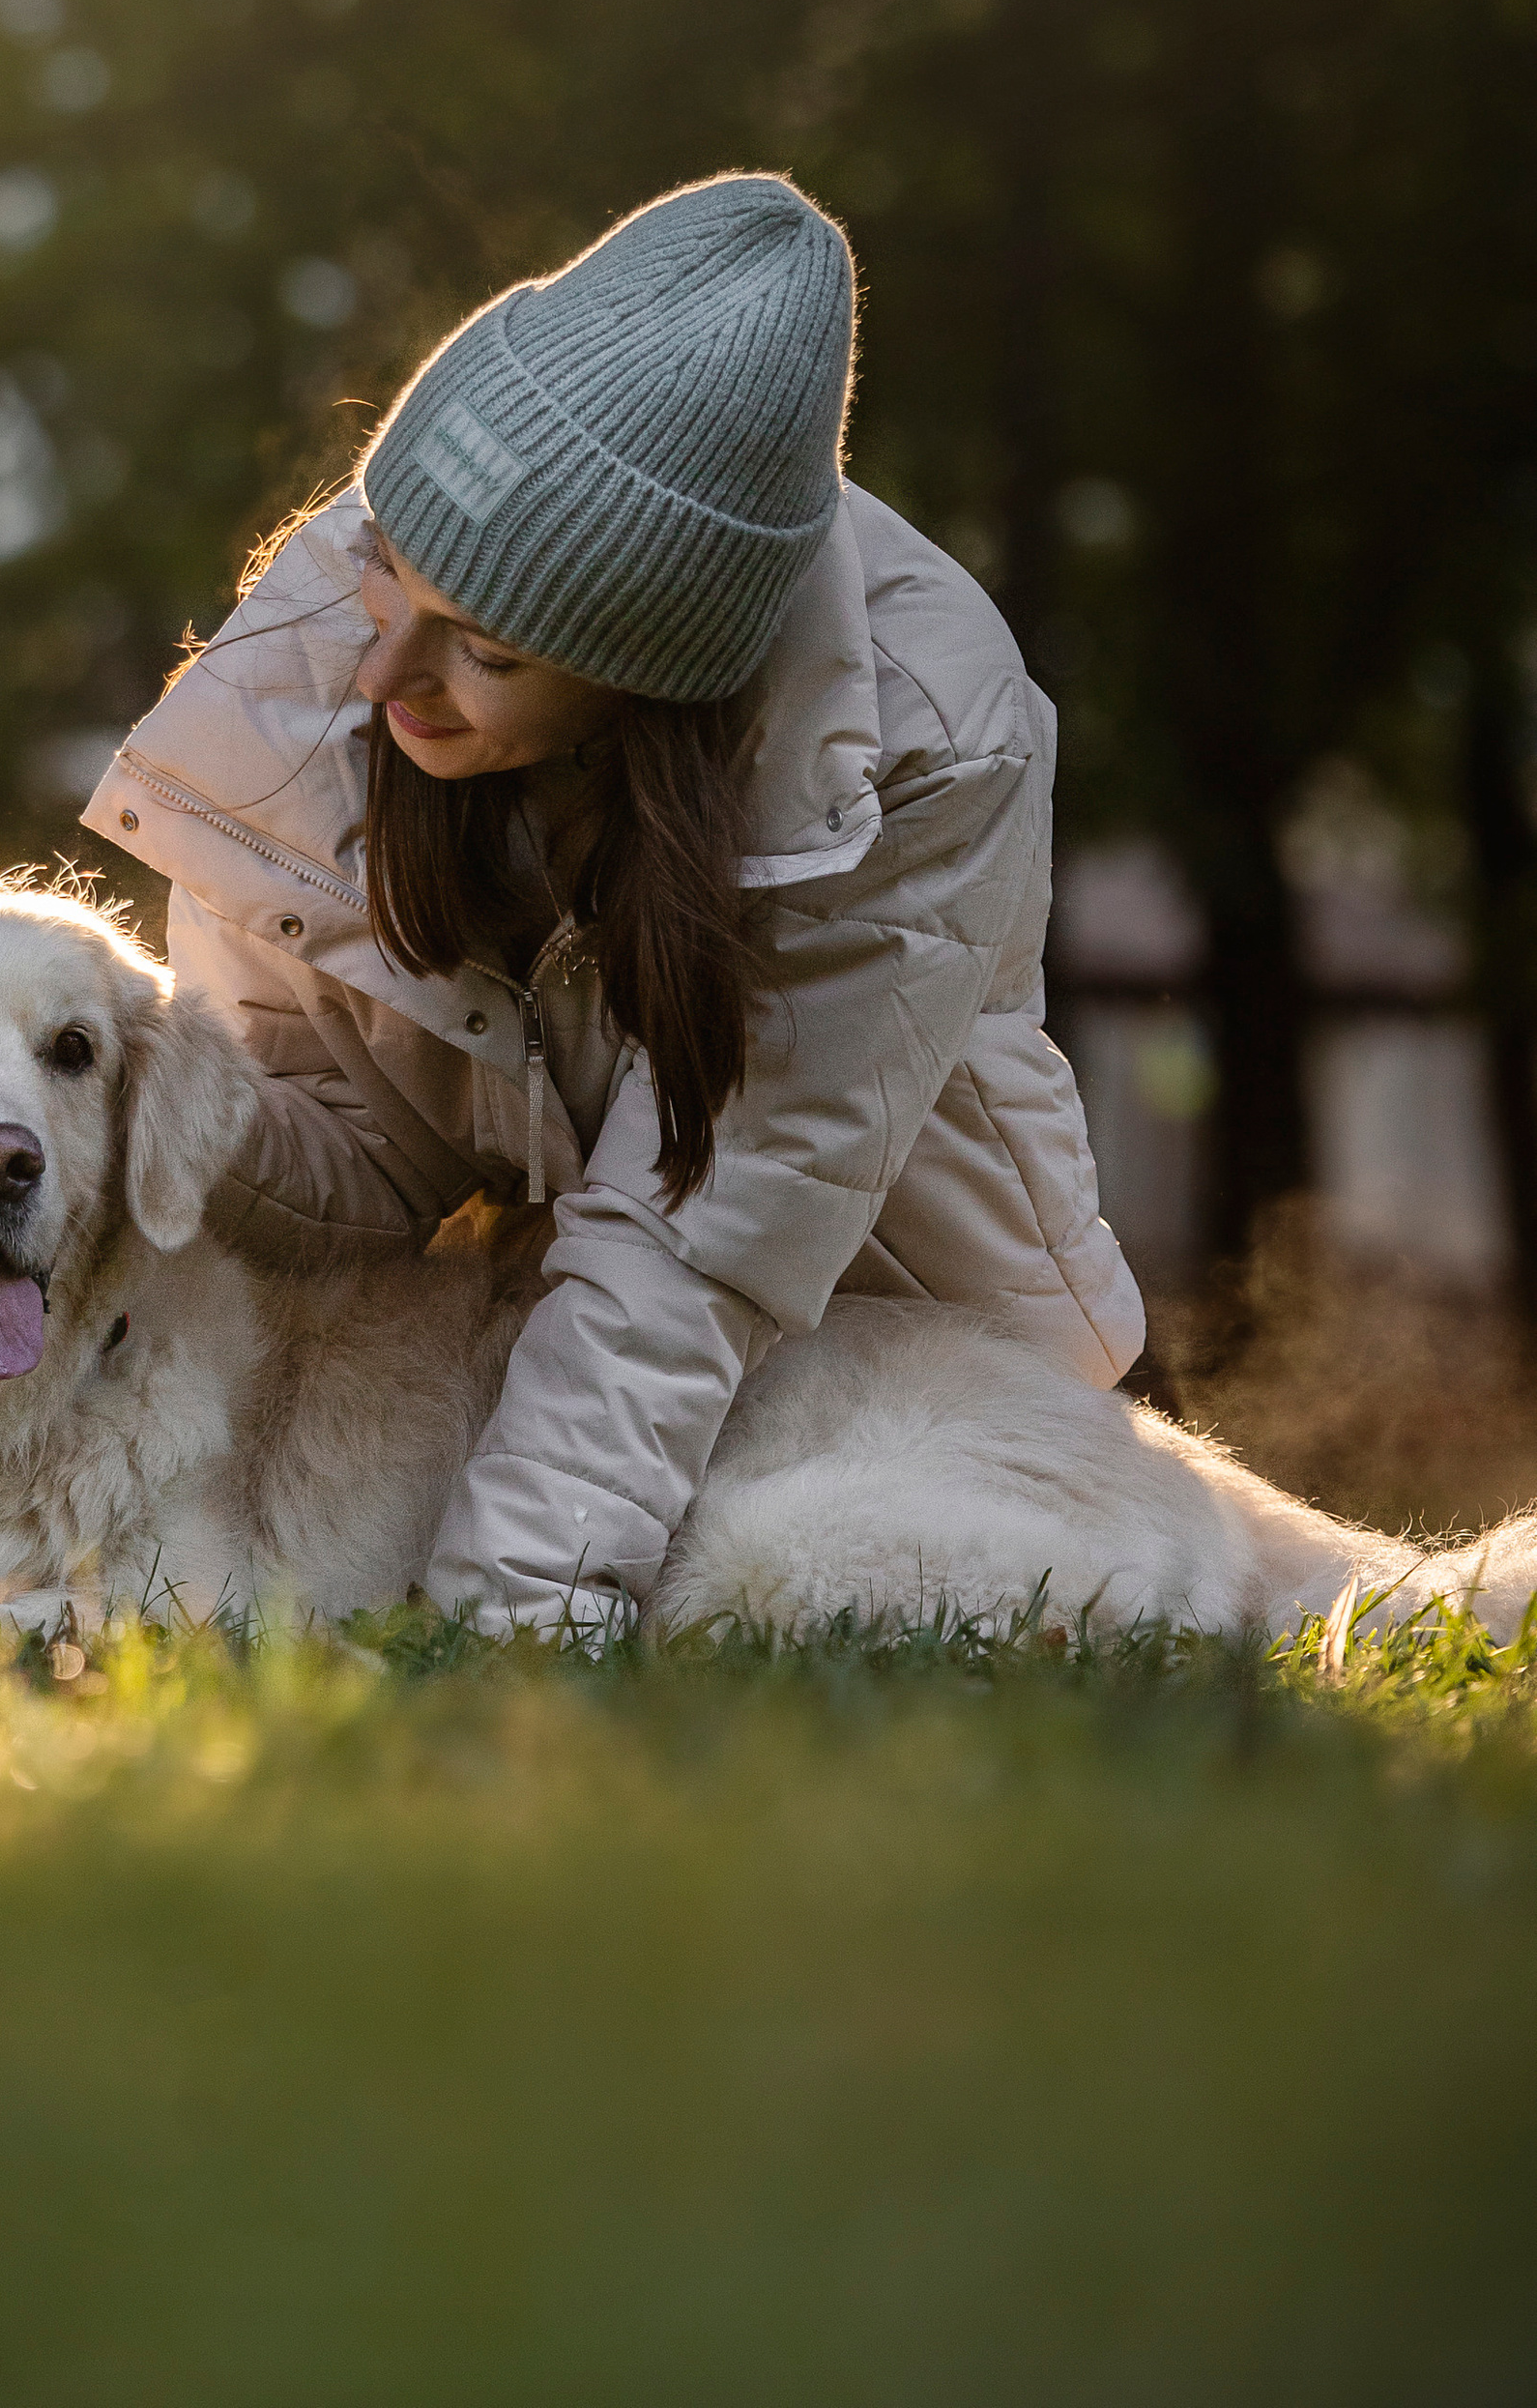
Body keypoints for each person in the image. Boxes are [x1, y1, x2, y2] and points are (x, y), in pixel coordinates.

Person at [79, 173, 1146, 1637]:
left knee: (795, 1591)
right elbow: (338, 1174)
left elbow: (704, 1231)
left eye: (490, 650)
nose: (383, 673)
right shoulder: (373, 614)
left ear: (652, 671)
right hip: (519, 1341)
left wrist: (517, 1616)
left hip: (881, 1355)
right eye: (388, 573)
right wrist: (113, 1082)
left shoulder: (918, 737)